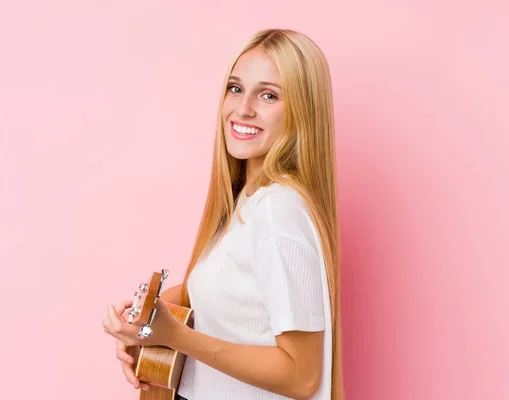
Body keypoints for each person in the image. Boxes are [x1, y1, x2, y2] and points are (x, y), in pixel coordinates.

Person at [102, 28, 344, 399]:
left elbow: (302, 376)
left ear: (302, 111)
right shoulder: (247, 202)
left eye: (268, 95)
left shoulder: (278, 213)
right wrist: (144, 320)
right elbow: (230, 297)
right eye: (235, 88)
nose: (243, 108)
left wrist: (175, 335)